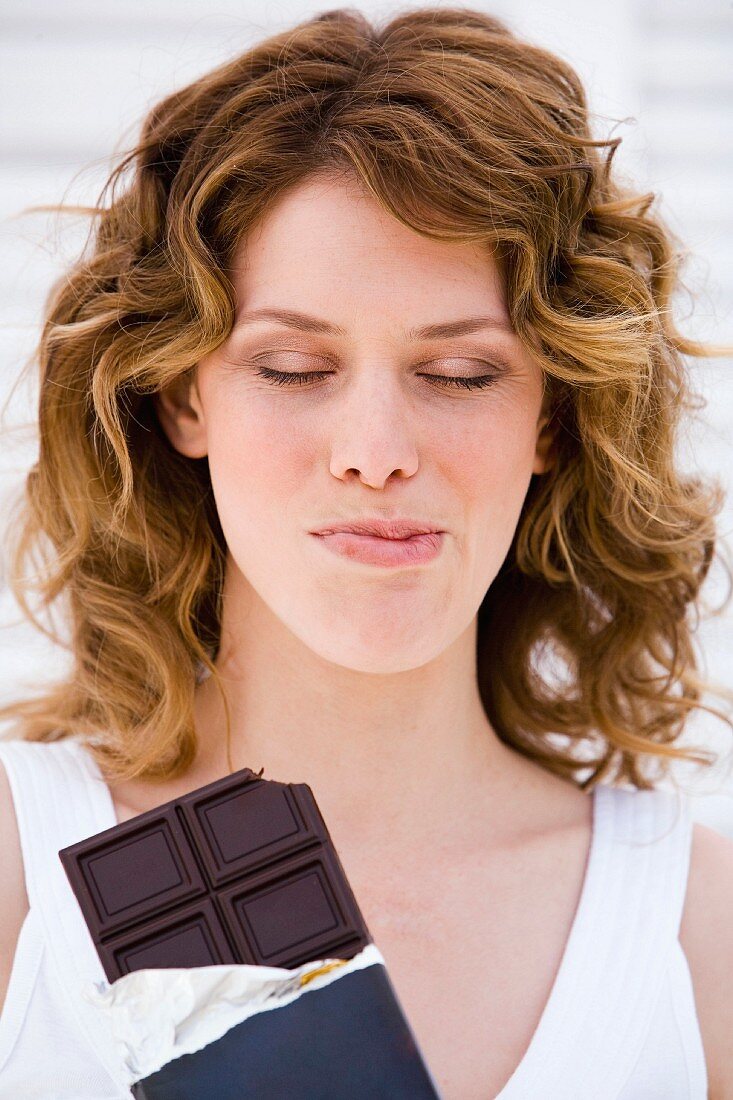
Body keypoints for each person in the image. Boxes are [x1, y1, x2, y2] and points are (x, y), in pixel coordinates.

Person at [0, 6, 732, 1098]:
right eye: (293, 367)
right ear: (180, 397)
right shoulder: (23, 873)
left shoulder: (692, 929)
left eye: (461, 373)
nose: (376, 454)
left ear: (554, 414)